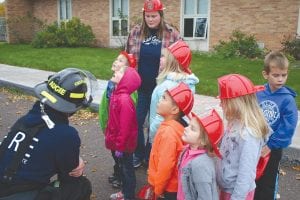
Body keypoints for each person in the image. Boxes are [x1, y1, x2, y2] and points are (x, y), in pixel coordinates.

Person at [0, 68, 96, 200]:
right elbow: (70, 174)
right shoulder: (66, 134)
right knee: (80, 186)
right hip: (17, 193)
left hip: (6, 184)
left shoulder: (25, 120)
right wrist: (76, 162)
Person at [126, 0, 181, 168]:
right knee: (136, 121)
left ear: (160, 15)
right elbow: (128, 58)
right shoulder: (136, 32)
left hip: (161, 89)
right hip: (140, 88)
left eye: (154, 16)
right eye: (147, 16)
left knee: (155, 125)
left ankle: (152, 155)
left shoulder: (172, 34)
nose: (150, 19)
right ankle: (139, 153)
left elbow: (181, 58)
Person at [216, 74, 269, 200]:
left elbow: (246, 173)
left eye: (223, 101)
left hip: (237, 193)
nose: (220, 105)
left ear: (236, 103)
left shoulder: (249, 135)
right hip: (226, 188)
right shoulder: (234, 122)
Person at [254, 51, 298, 200]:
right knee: (253, 177)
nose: (280, 79)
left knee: (268, 181)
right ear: (265, 74)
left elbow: (288, 127)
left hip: (273, 148)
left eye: (283, 75)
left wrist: (271, 145)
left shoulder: (287, 99)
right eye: (276, 75)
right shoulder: (258, 93)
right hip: (256, 143)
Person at [149, 40, 199, 160]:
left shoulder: (168, 87)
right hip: (176, 131)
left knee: (162, 163)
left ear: (172, 62)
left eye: (163, 57)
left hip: (162, 133)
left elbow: (161, 117)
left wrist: (152, 135)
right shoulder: (186, 82)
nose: (160, 59)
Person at [98, 51, 138, 189]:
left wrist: (120, 143)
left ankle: (123, 180)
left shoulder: (127, 94)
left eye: (121, 61)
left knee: (121, 158)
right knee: (115, 157)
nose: (116, 62)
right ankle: (118, 173)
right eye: (116, 59)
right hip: (111, 128)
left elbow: (126, 120)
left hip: (119, 133)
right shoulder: (113, 84)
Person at [148, 83, 194, 200]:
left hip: (167, 188)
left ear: (174, 109)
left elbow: (166, 165)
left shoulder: (168, 132)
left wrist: (157, 190)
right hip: (174, 186)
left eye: (164, 98)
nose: (159, 100)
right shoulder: (179, 125)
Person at [104, 66, 141, 200]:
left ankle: (128, 195)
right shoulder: (116, 93)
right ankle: (125, 192)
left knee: (127, 170)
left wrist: (119, 146)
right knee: (122, 167)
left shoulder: (124, 100)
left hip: (124, 145)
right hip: (118, 143)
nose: (115, 71)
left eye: (119, 72)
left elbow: (125, 128)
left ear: (125, 80)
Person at [177, 109, 223, 200]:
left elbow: (205, 196)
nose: (186, 128)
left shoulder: (201, 165)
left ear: (203, 140)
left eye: (192, 129)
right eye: (189, 125)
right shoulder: (187, 150)